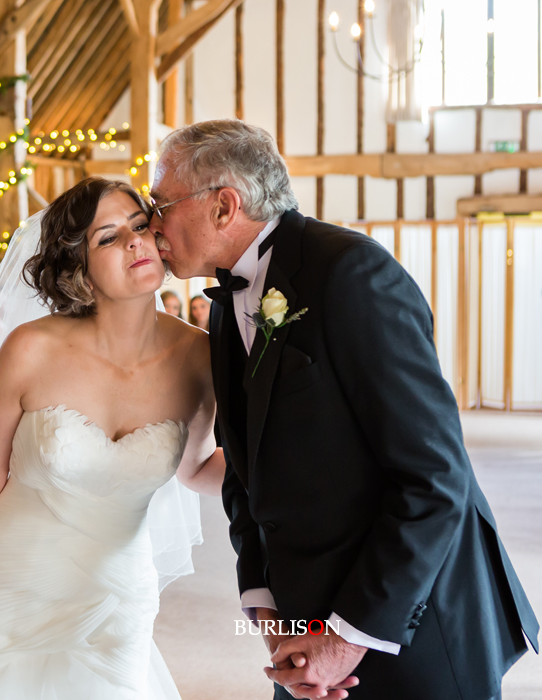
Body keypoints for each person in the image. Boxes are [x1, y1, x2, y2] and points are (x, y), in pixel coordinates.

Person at [149, 119, 538, 700]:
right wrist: (269, 612)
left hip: (410, 626)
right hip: (305, 637)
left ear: (224, 205)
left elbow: (434, 479)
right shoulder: (228, 304)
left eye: (162, 204)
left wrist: (347, 638)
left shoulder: (351, 274)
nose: (153, 224)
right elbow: (247, 473)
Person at [0, 177, 225, 699]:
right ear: (77, 265)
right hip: (8, 587)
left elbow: (196, 468)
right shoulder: (31, 348)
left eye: (138, 226)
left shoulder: (201, 356)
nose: (133, 242)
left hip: (117, 595)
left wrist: (300, 476)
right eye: (107, 237)